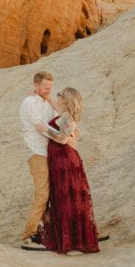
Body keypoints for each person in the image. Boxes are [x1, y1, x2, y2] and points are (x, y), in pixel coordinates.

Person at [38, 87, 101, 255]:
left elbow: (63, 138)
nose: (56, 97)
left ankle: (76, 243)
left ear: (66, 100)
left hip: (66, 161)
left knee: (69, 199)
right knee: (61, 198)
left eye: (59, 95)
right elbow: (53, 104)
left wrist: (45, 130)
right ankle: (69, 240)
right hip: (59, 161)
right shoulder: (63, 114)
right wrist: (39, 93)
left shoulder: (68, 118)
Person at [18, 71, 72, 250]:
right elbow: (41, 127)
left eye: (51, 87)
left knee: (55, 194)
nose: (49, 90)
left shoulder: (48, 103)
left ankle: (51, 233)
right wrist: (63, 137)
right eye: (45, 87)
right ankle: (28, 235)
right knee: (42, 194)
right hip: (37, 152)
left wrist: (50, 100)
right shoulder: (29, 102)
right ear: (36, 85)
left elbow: (62, 114)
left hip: (51, 153)